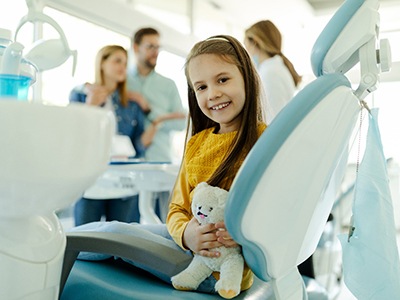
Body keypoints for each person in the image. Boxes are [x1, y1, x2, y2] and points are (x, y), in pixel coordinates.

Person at [70, 34, 267, 296]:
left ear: (246, 77)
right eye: (201, 87)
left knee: (115, 233)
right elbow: (177, 208)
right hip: (188, 243)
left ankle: (53, 248)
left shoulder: (264, 140)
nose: (213, 93)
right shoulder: (197, 143)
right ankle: (56, 244)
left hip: (213, 269)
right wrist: (186, 233)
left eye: (222, 79)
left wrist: (244, 235)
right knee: (121, 228)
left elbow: (274, 211)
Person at [69, 45, 161, 226]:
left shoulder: (131, 104)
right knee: (86, 243)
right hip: (90, 179)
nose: (123, 67)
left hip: (124, 179)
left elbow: (136, 146)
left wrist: (150, 134)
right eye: (117, 61)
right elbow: (73, 135)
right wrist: (91, 106)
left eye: (125, 63)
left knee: (123, 242)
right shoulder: (80, 94)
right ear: (102, 63)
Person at [127, 27, 187, 222]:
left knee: (164, 225)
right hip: (129, 165)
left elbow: (181, 122)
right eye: (150, 46)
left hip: (160, 163)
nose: (155, 51)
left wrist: (152, 113)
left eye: (158, 47)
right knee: (129, 226)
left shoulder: (168, 85)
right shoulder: (123, 81)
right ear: (136, 47)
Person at [244, 20, 302, 123]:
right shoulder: (274, 68)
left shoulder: (270, 73)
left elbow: (273, 119)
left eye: (247, 46)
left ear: (255, 43)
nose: (247, 53)